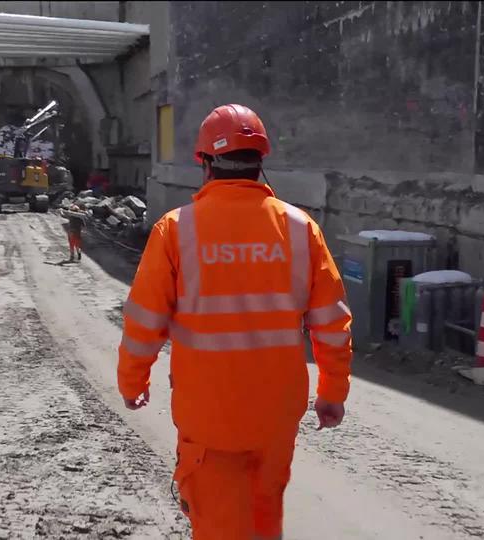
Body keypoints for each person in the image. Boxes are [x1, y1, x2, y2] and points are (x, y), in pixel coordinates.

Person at [116, 104, 353, 539]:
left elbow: (144, 322)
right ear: (260, 163)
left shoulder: (176, 230)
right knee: (265, 520)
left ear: (204, 164)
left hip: (209, 419)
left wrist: (133, 382)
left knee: (220, 526)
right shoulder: (301, 229)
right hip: (277, 416)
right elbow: (332, 323)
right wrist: (332, 392)